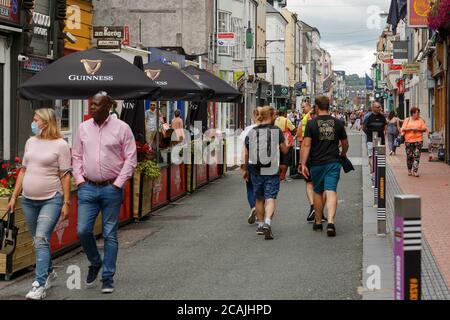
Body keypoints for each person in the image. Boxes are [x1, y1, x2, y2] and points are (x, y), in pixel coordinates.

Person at [73, 92, 137, 294]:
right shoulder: (83, 128)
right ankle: (95, 261)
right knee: (83, 230)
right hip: (88, 187)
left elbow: (131, 158)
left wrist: (118, 184)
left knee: (110, 234)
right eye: (91, 104)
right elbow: (76, 156)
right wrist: (80, 181)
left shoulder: (122, 128)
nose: (92, 108)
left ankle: (107, 277)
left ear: (108, 106)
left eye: (97, 105)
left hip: (111, 188)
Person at [7, 108, 72, 300]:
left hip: (51, 198)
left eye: (36, 119)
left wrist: (66, 202)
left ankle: (39, 284)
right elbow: (23, 170)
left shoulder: (61, 144)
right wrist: (13, 197)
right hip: (28, 200)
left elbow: (65, 176)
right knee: (38, 240)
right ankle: (50, 271)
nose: (33, 122)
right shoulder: (31, 141)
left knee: (42, 238)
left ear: (45, 122)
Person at [300, 96, 349, 237]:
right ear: (329, 106)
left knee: (317, 191)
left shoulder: (311, 124)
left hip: (316, 163)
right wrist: (343, 154)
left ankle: (318, 221)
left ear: (316, 107)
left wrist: (303, 164)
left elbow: (306, 145)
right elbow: (345, 144)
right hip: (333, 161)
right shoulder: (338, 123)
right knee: (331, 191)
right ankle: (331, 222)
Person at [243, 106, 289, 240]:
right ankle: (268, 223)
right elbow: (284, 150)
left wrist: (246, 169)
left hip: (255, 168)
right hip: (271, 168)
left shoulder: (252, 132)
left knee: (259, 198)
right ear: (271, 115)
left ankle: (260, 224)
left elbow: (246, 153)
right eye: (274, 115)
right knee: (270, 198)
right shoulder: (276, 130)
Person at [240, 108, 259, 225]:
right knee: (261, 189)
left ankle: (253, 207)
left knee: (250, 187)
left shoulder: (247, 130)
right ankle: (261, 214)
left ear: (253, 117)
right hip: (265, 165)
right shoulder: (269, 129)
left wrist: (243, 166)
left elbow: (244, 151)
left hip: (251, 162)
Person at [363, 101, 387, 184]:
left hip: (380, 139)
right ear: (373, 108)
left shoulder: (382, 117)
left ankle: (376, 173)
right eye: (378, 107)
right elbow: (364, 128)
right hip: (371, 139)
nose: (380, 108)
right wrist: (369, 135)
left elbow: (385, 126)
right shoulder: (368, 117)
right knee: (371, 157)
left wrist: (383, 133)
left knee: (379, 157)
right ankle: (374, 173)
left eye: (380, 107)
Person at [401, 107, 428, 177]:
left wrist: (417, 129)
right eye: (417, 113)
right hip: (409, 141)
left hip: (418, 141)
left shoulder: (420, 120)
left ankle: (415, 171)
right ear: (413, 113)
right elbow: (402, 129)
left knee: (417, 156)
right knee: (409, 156)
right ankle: (409, 170)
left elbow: (424, 129)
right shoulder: (407, 120)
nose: (418, 114)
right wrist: (410, 129)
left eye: (418, 113)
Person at [274, 111, 295, 181]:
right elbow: (293, 129)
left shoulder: (276, 120)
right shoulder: (286, 120)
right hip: (286, 140)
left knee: (280, 158)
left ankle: (279, 175)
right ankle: (283, 176)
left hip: (277, 140)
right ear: (285, 113)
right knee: (286, 158)